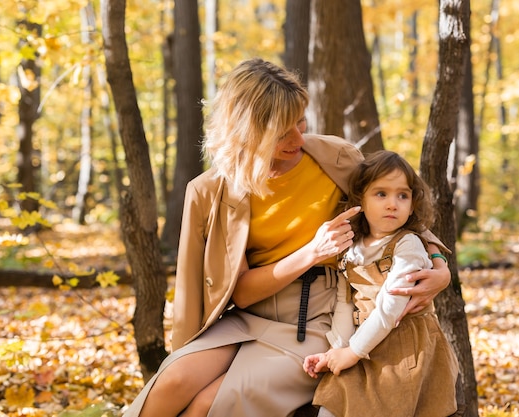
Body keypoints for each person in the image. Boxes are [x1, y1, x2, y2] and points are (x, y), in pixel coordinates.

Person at [122, 58, 451, 417]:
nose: (298, 138)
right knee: (172, 383)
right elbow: (238, 292)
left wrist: (440, 265)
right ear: (247, 130)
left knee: (207, 404)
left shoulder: (336, 158)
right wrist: (311, 251)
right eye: (281, 131)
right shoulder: (208, 192)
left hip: (320, 318)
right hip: (243, 318)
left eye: (300, 121)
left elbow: (395, 208)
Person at [302, 150, 459, 417]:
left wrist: (351, 353)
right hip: (365, 340)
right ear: (360, 198)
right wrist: (337, 350)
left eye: (402, 195)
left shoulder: (408, 245)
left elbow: (390, 309)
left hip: (405, 348)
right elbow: (345, 301)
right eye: (381, 194)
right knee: (334, 403)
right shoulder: (352, 248)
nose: (392, 204)